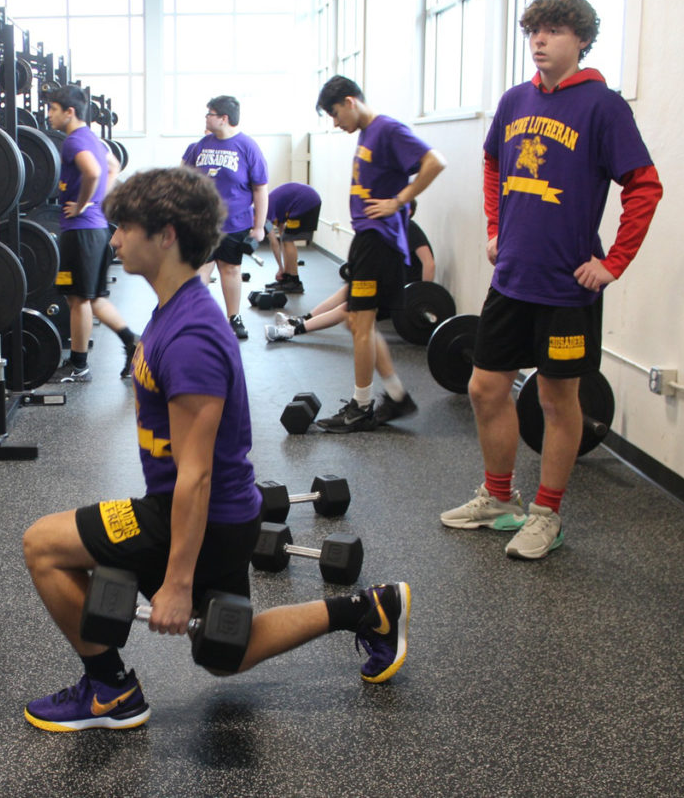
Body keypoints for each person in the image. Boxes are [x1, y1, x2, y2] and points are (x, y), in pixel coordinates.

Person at [21, 167, 410, 732]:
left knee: (43, 545)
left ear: (167, 235)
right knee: (223, 652)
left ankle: (109, 691)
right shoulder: (175, 309)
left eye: (126, 226)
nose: (115, 239)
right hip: (219, 514)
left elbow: (196, 474)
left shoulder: (191, 335)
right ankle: (368, 610)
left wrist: (176, 582)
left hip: (203, 513)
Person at [439, 0, 663, 560]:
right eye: (534, 30)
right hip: (512, 277)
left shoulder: (603, 106)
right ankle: (498, 499)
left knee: (557, 400)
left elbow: (644, 184)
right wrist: (496, 227)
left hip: (567, 286)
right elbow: (494, 164)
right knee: (485, 387)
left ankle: (546, 514)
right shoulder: (515, 101)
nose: (539, 40)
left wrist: (613, 262)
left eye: (554, 31)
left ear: (581, 39)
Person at [312, 77, 447, 432]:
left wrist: (399, 201)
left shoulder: (387, 129)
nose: (336, 122)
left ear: (351, 101)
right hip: (367, 238)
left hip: (379, 240)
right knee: (356, 322)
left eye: (336, 113)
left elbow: (434, 161)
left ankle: (360, 407)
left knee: (361, 324)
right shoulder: (368, 134)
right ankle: (397, 396)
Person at [46, 84, 136, 381]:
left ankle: (79, 364)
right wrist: (99, 201)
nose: (49, 115)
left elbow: (94, 172)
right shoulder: (94, 140)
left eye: (53, 109)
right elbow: (112, 166)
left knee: (78, 299)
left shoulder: (73, 141)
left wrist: (84, 204)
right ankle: (132, 342)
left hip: (81, 230)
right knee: (90, 297)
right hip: (93, 230)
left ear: (69, 112)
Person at [265, 199, 434, 344]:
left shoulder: (409, 227)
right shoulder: (393, 229)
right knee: (347, 291)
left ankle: (291, 331)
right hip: (388, 283)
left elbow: (429, 263)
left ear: (409, 211)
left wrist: (423, 295)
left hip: (400, 291)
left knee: (348, 307)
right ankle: (303, 319)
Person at [182, 95, 268, 340]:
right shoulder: (201, 144)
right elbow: (183, 179)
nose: (206, 118)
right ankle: (197, 320)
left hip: (235, 222)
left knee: (230, 269)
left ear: (223, 118)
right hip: (202, 223)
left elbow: (260, 189)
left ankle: (234, 318)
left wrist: (259, 227)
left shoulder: (247, 147)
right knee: (199, 270)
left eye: (209, 113)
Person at [263, 182, 321, 294]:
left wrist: (280, 268)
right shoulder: (266, 207)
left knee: (288, 239)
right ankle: (288, 278)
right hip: (307, 199)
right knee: (286, 238)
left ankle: (295, 281)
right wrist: (283, 271)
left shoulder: (264, 214)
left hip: (306, 201)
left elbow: (274, 242)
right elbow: (281, 231)